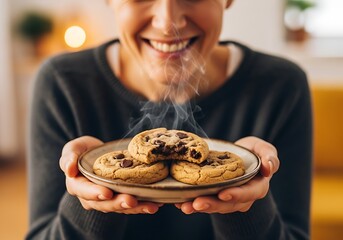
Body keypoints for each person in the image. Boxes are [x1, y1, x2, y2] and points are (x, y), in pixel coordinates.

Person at [26, 0, 312, 239]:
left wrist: (245, 205)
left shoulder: (281, 86)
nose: (167, 23)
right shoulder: (63, 84)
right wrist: (89, 202)